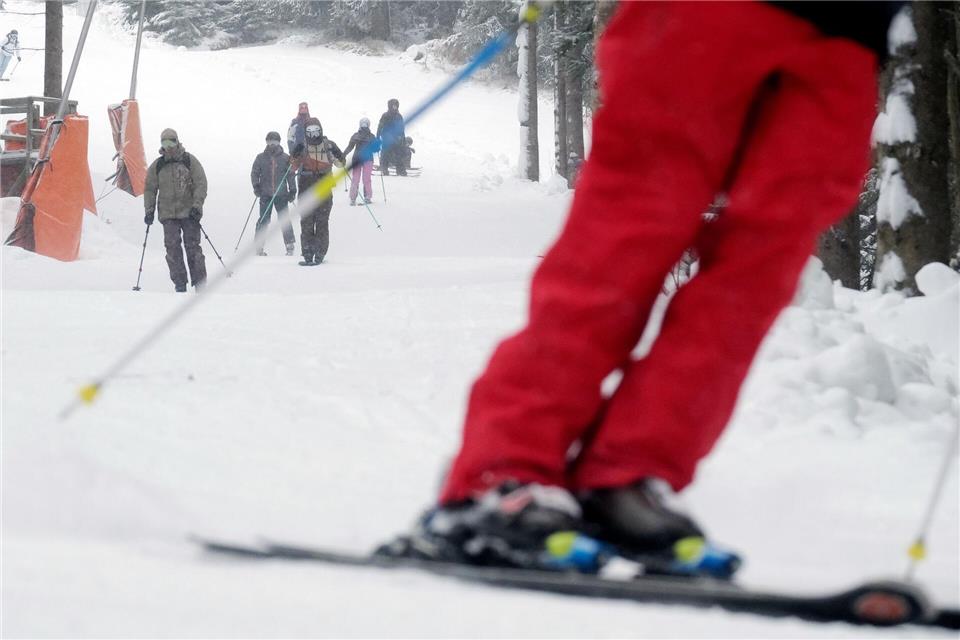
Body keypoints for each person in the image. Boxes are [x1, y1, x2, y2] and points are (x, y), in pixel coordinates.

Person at [397, 2, 895, 571]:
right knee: (628, 235)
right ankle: (505, 468)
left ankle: (629, 472)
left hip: (850, 35)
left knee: (760, 273)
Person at [144, 128, 208, 292]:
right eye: (164, 143)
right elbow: (150, 189)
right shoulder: (158, 165)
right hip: (168, 214)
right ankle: (180, 284)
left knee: (192, 247)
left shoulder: (189, 160)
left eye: (171, 142)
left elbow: (201, 183)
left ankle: (200, 284)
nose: (168, 147)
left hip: (189, 213)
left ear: (177, 142)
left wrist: (197, 206)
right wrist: (149, 210)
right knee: (172, 249)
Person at [291, 118, 344, 266]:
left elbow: (341, 164)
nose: (313, 135)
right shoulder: (302, 147)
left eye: (316, 132)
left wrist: (338, 154)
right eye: (310, 132)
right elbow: (293, 167)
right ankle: (308, 254)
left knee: (321, 222)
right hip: (306, 189)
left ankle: (320, 254)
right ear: (306, 133)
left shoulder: (328, 146)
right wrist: (294, 155)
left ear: (320, 130)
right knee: (307, 223)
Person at [251, 131, 297, 256]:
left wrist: (292, 190)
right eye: (270, 142)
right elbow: (254, 173)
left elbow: (290, 174)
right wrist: (256, 186)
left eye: (275, 142)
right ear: (266, 142)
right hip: (265, 194)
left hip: (281, 195)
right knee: (263, 220)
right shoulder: (261, 158)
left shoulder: (285, 158)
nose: (272, 144)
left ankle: (289, 245)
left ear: (279, 143)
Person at [342, 117, 376, 206]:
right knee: (358, 179)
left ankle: (365, 197)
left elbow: (375, 148)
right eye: (363, 123)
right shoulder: (359, 136)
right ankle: (355, 198)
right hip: (360, 159)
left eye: (366, 124)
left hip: (365, 159)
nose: (364, 125)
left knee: (363, 179)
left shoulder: (369, 136)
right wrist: (343, 154)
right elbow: (350, 146)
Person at [376, 98, 406, 176]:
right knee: (385, 154)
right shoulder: (385, 115)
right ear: (389, 106)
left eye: (396, 106)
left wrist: (403, 138)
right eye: (393, 106)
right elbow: (380, 126)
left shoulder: (399, 116)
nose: (395, 107)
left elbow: (402, 128)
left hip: (397, 139)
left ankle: (401, 170)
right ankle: (384, 169)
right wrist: (377, 136)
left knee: (399, 155)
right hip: (387, 138)